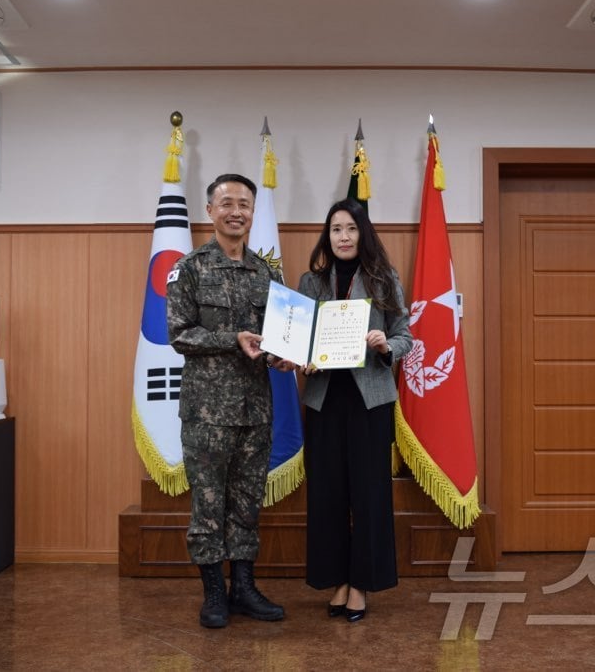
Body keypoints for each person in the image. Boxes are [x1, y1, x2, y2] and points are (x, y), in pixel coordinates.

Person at [166, 173, 294, 629]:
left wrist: (284, 356)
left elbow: (280, 336)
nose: (236, 211)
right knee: (207, 504)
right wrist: (231, 338)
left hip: (255, 409)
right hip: (206, 413)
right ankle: (214, 593)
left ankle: (244, 588)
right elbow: (179, 334)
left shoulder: (266, 272)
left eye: (244, 204)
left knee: (246, 503)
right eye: (227, 203)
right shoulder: (189, 268)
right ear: (210, 211)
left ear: (253, 212)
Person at [299, 197, 413, 622]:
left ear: (363, 233)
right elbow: (302, 339)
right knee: (327, 494)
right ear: (326, 237)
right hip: (325, 399)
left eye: (350, 228)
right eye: (335, 229)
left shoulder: (384, 278)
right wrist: (304, 355)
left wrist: (386, 345)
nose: (343, 237)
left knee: (368, 495)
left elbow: (405, 335)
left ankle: (362, 583)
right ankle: (337, 580)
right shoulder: (310, 283)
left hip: (370, 402)